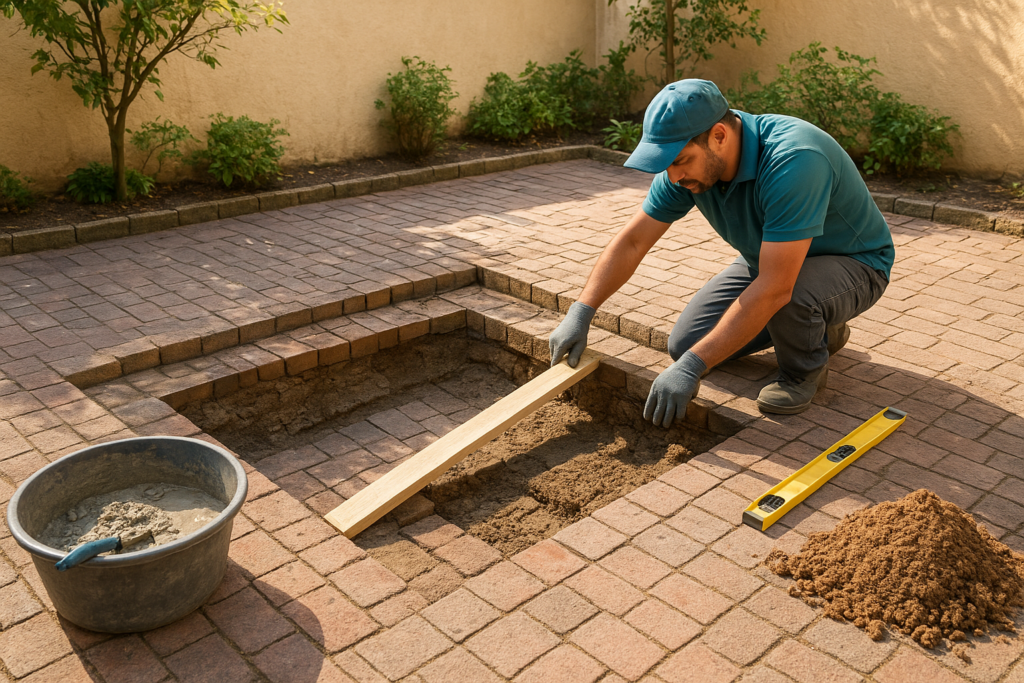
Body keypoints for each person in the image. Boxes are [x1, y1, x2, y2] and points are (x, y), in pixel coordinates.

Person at [549, 79, 894, 424]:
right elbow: (634, 241)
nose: (673, 176)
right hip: (768, 259)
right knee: (687, 344)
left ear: (719, 135)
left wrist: (693, 368)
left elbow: (776, 286)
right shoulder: (688, 166)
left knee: (789, 296)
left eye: (680, 160)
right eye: (667, 164)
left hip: (857, 264)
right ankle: (818, 327)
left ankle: (803, 372)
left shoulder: (794, 160)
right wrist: (581, 312)